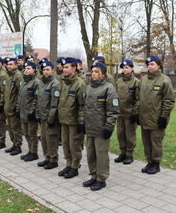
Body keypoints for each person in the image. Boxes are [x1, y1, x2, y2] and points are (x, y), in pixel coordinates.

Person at [83, 62, 119, 191]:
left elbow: (113, 110)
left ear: (103, 75)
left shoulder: (109, 88)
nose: (93, 74)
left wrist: (109, 127)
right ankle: (93, 176)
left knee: (101, 155)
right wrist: (83, 123)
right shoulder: (88, 88)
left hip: (101, 129)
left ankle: (101, 179)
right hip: (90, 127)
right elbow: (85, 108)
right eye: (92, 71)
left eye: (97, 72)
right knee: (90, 154)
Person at [139, 56, 175, 174]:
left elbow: (169, 101)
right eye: (148, 64)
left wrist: (164, 116)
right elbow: (139, 99)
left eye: (152, 64)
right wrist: (137, 113)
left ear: (158, 65)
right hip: (144, 118)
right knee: (146, 142)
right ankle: (149, 162)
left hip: (157, 119)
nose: (150, 66)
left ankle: (156, 164)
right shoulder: (143, 80)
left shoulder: (164, 80)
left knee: (156, 142)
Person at [58, 57, 86, 179]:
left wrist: (81, 121)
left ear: (74, 68)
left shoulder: (80, 84)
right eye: (63, 67)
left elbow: (83, 105)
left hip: (74, 121)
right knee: (65, 144)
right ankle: (68, 164)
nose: (64, 69)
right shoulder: (63, 82)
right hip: (64, 119)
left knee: (74, 144)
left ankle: (75, 166)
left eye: (67, 67)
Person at [36, 61, 60, 169]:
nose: (45, 72)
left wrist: (51, 118)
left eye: (48, 70)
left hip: (50, 117)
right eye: (44, 70)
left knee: (51, 139)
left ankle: (53, 159)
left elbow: (54, 103)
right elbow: (38, 99)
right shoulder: (41, 83)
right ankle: (47, 157)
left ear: (53, 70)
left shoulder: (55, 84)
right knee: (44, 139)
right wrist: (38, 113)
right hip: (42, 116)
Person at [115, 60, 139, 165]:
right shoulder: (119, 81)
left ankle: (130, 154)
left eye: (127, 68)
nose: (125, 70)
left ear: (132, 68)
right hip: (120, 113)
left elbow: (138, 98)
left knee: (130, 135)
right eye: (123, 68)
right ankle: (123, 153)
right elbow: (115, 96)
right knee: (120, 134)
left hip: (130, 114)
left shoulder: (136, 82)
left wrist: (135, 112)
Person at [16, 61, 40, 161]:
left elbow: (36, 98)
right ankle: (30, 151)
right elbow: (20, 97)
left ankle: (34, 152)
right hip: (23, 112)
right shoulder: (24, 82)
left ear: (34, 69)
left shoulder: (36, 82)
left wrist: (32, 111)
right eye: (25, 69)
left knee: (32, 134)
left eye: (29, 68)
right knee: (26, 133)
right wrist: (17, 109)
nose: (26, 70)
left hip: (30, 113)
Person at [4, 58, 23, 156]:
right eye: (8, 64)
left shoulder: (18, 76)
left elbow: (21, 93)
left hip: (14, 107)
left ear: (16, 65)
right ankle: (14, 144)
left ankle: (18, 145)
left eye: (11, 64)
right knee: (10, 127)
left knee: (16, 128)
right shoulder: (9, 75)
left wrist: (17, 107)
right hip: (8, 107)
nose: (9, 66)